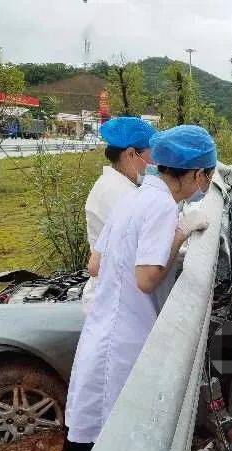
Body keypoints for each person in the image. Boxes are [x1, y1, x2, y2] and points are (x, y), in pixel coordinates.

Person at [60, 125, 217, 451]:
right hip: (125, 341)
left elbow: (94, 264)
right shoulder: (162, 206)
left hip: (103, 333)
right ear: (196, 174)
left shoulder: (132, 197)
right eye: (206, 176)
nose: (205, 184)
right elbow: (146, 279)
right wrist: (180, 234)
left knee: (90, 436)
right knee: (113, 446)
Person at [82, 117, 158, 314]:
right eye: (151, 156)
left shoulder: (125, 186)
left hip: (119, 291)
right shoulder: (116, 193)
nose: (153, 163)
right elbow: (143, 246)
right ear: (131, 154)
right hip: (112, 299)